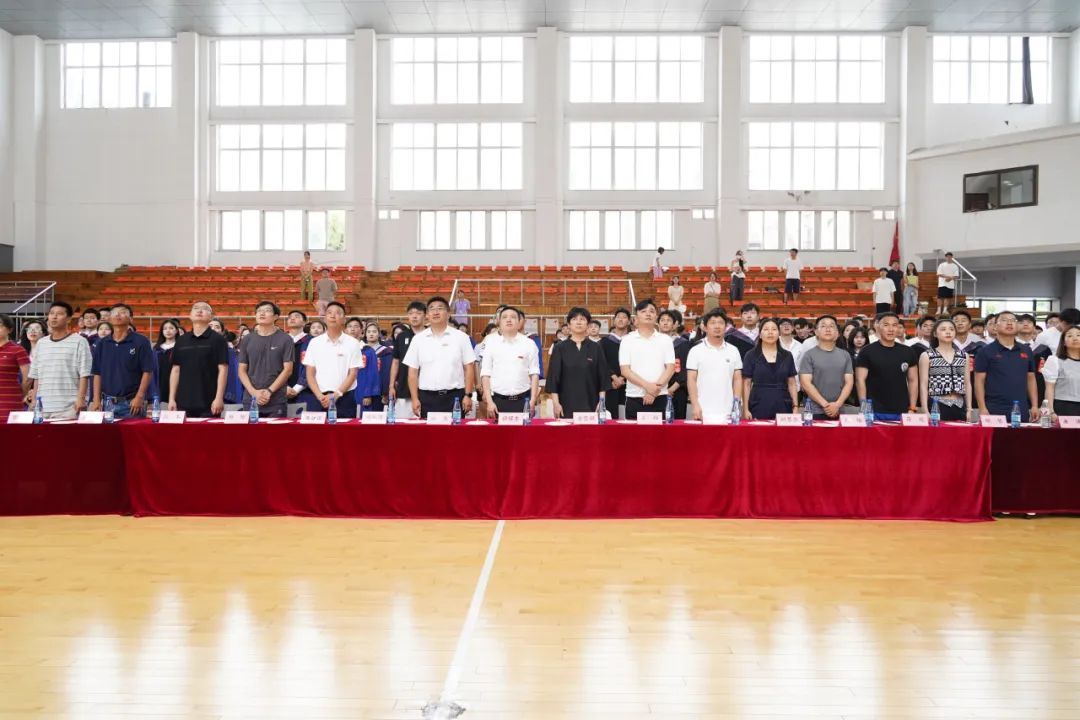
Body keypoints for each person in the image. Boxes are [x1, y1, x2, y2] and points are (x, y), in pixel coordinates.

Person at [404, 296, 477, 418]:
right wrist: (415, 398)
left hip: (455, 397)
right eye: (432, 309)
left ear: (448, 314)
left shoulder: (461, 337)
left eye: (440, 308)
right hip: (426, 398)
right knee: (428, 430)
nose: (436, 312)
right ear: (427, 315)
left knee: (455, 430)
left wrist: (468, 395)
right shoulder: (418, 339)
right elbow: (412, 372)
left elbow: (469, 368)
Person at [25, 302, 91, 420]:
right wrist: (34, 400)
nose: (54, 317)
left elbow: (84, 374)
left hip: (70, 407)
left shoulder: (80, 341)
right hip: (42, 407)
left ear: (69, 319)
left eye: (59, 314)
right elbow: (37, 376)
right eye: (51, 313)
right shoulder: (41, 343)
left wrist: (81, 400)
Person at [90, 303, 154, 418]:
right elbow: (97, 373)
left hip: (131, 403)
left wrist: (139, 397)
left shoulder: (141, 341)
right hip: (107, 403)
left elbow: (147, 371)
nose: (118, 315)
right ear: (110, 318)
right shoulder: (102, 343)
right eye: (114, 313)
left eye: (123, 312)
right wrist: (96, 400)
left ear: (131, 319)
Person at [302, 301, 364, 418]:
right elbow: (310, 374)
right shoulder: (315, 343)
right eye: (329, 312)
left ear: (344, 319)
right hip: (318, 398)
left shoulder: (353, 343)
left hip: (344, 397)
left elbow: (353, 373)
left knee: (345, 429)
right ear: (325, 318)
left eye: (338, 313)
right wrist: (319, 396)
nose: (332, 316)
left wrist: (336, 395)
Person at [974, 310, 1038, 422]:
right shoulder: (985, 351)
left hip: (1020, 408)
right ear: (995, 327)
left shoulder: (1026, 350)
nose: (1009, 323)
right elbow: (979, 381)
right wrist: (982, 408)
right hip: (994, 408)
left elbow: (1031, 379)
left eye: (1013, 320)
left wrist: (1034, 406)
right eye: (1004, 320)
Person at [547, 307, 611, 418]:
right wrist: (556, 403)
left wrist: (601, 402)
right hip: (565, 404)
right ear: (568, 324)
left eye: (582, 319)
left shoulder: (596, 348)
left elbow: (603, 378)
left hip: (591, 404)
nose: (578, 322)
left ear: (587, 324)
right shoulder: (559, 348)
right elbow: (553, 378)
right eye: (574, 319)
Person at [169, 301, 229, 417]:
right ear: (190, 315)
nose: (200, 311)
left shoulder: (218, 340)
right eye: (196, 308)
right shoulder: (181, 340)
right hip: (183, 403)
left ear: (211, 317)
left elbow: (223, 369)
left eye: (204, 309)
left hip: (209, 403)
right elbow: (176, 370)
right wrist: (171, 399)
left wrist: (219, 398)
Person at [618, 299, 675, 420]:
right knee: (635, 432)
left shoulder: (665, 340)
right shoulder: (627, 340)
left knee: (660, 432)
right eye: (643, 311)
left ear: (656, 317)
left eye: (652, 311)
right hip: (635, 397)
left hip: (660, 396)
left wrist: (653, 391)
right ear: (636, 318)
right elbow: (625, 370)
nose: (648, 314)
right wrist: (648, 387)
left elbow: (670, 368)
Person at [855, 312, 918, 422]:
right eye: (886, 325)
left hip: (902, 410)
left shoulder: (908, 351)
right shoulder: (867, 351)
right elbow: (860, 380)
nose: (891, 329)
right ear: (878, 327)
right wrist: (864, 407)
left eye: (895, 325)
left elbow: (913, 380)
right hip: (873, 411)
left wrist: (912, 407)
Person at [237, 301, 295, 419]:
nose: (262, 313)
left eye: (267, 310)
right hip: (251, 398)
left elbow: (288, 370)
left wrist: (269, 391)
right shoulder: (247, 339)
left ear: (276, 316)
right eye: (259, 311)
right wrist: (254, 392)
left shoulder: (286, 339)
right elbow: (241, 370)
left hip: (276, 399)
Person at [480, 306, 540, 416]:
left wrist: (533, 400)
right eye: (504, 317)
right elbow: (485, 374)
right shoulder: (491, 343)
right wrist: (489, 402)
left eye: (513, 317)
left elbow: (534, 373)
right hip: (497, 401)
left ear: (519, 322)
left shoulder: (529, 344)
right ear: (499, 322)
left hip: (523, 400)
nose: (508, 319)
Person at [687, 308, 743, 421]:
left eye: (721, 323)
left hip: (728, 410)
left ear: (726, 327)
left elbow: (737, 379)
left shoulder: (734, 350)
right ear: (705, 327)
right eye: (712, 323)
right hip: (702, 410)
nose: (717, 326)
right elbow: (691, 379)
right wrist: (695, 405)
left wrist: (736, 404)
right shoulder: (695, 350)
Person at [741, 318, 798, 420]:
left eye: (774, 329)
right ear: (760, 334)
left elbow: (792, 383)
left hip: (783, 404)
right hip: (758, 404)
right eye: (766, 329)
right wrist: (745, 409)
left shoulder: (787, 355)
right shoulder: (751, 355)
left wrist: (796, 406)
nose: (770, 332)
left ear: (779, 333)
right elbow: (746, 384)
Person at [799, 315, 854, 420]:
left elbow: (849, 382)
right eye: (823, 326)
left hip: (839, 409)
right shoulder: (809, 355)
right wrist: (825, 405)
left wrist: (837, 405)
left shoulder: (845, 355)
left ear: (837, 333)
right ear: (816, 332)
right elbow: (806, 383)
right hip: (815, 411)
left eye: (832, 326)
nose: (828, 329)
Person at [918, 318, 971, 422]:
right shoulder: (927, 355)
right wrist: (925, 409)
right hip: (936, 404)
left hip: (960, 404)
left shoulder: (964, 355)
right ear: (935, 333)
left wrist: (969, 408)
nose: (948, 332)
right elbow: (923, 384)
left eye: (951, 329)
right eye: (943, 329)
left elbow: (967, 383)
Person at [389, 300, 428, 420]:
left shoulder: (430, 335)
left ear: (425, 315)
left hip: (427, 389)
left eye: (418, 313)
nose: (414, 316)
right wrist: (391, 386)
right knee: (403, 424)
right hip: (404, 389)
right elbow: (395, 362)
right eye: (411, 313)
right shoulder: (401, 336)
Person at [659, 310, 691, 419]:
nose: (665, 322)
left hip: (677, 390)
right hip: (657, 390)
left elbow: (685, 369)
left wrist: (671, 389)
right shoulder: (653, 343)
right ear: (658, 323)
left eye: (668, 320)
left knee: (677, 422)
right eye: (662, 320)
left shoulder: (682, 343)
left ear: (674, 324)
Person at [600, 308, 631, 420]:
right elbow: (602, 362)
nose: (621, 319)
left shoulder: (633, 341)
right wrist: (614, 377)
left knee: (627, 417)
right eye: (618, 317)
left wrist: (622, 378)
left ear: (629, 321)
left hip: (630, 383)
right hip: (610, 384)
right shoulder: (604, 342)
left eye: (624, 317)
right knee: (611, 416)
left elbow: (635, 361)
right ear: (614, 321)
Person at [1043, 326, 1080, 419]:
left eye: (1078, 335)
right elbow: (1049, 388)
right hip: (1064, 407)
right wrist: (1050, 411)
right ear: (1063, 342)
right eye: (1070, 336)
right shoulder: (1055, 360)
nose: (1075, 338)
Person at [0, 314, 32, 416]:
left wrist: (20, 394)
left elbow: (28, 378)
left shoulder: (18, 350)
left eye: (0, 325)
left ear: (9, 330)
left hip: (10, 402)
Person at [284, 310, 312, 409]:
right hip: (282, 391)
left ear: (304, 322)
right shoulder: (281, 340)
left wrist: (298, 388)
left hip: (306, 390)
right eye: (290, 317)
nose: (292, 318)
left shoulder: (312, 341)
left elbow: (312, 366)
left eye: (296, 316)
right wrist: (284, 386)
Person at [364, 322, 393, 410]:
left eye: (374, 331)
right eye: (369, 332)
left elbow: (386, 373)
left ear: (379, 334)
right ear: (365, 334)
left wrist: (385, 392)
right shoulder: (360, 351)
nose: (371, 334)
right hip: (362, 390)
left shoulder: (386, 351)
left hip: (380, 390)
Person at [154, 319, 180, 402]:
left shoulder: (180, 347)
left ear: (176, 331)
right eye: (165, 329)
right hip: (159, 383)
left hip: (176, 381)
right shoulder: (156, 348)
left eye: (171, 328)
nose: (168, 331)